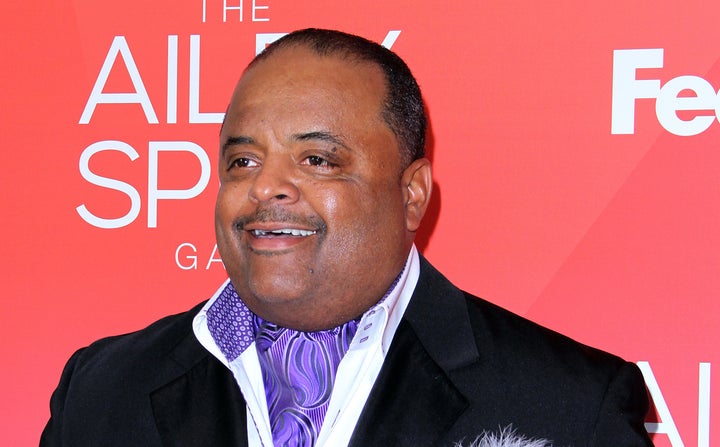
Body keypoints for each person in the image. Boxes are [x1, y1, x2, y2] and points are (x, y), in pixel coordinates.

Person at [41, 28, 654, 447]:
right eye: (243, 162)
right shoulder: (101, 391)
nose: (266, 189)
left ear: (411, 194)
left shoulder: (571, 405)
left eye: (317, 160)